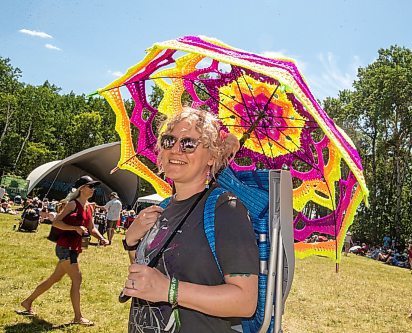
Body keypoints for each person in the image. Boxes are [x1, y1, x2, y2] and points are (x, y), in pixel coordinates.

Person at [122, 107, 259, 333]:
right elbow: (149, 274)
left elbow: (245, 301)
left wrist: (170, 290)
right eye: (168, 141)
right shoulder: (163, 208)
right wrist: (131, 242)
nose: (176, 150)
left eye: (188, 144)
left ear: (212, 157)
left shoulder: (226, 209)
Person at [16, 175, 109, 325]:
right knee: (77, 279)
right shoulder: (72, 204)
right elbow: (56, 222)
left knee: (54, 279)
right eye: (90, 186)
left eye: (93, 187)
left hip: (75, 248)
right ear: (82, 188)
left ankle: (27, 302)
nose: (93, 189)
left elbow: (91, 229)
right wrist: (74, 228)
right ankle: (78, 317)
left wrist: (101, 238)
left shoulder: (89, 207)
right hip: (65, 247)